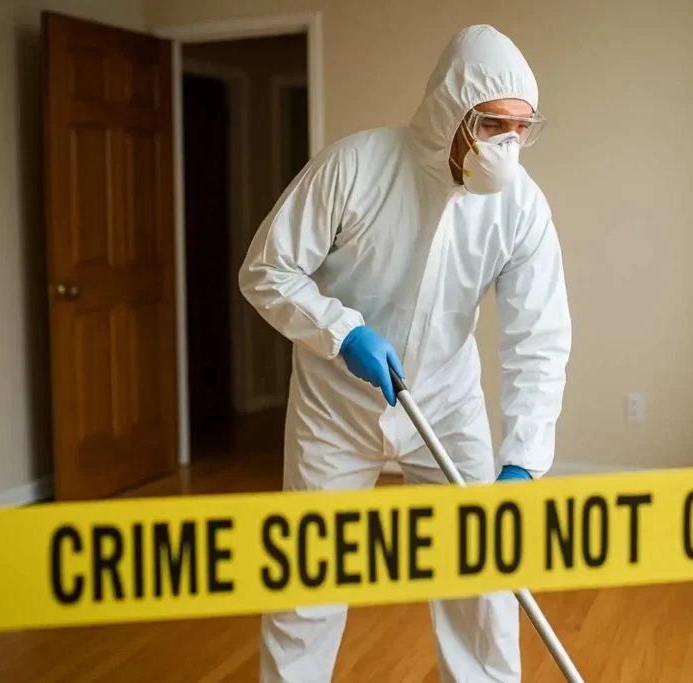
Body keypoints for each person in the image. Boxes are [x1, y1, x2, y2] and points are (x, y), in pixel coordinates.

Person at [239, 23, 572, 683]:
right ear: (453, 109)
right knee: (308, 581)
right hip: (335, 408)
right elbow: (266, 270)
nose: (507, 144)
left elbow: (538, 337)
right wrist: (341, 331)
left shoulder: (521, 210)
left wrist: (523, 461)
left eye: (522, 127)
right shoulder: (355, 167)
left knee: (482, 581)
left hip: (446, 406)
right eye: (493, 124)